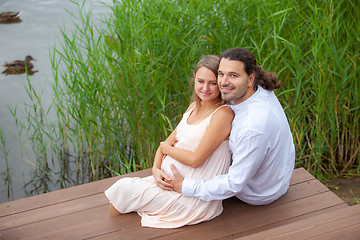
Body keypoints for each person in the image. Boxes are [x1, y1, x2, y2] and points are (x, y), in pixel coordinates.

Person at [104, 55, 234, 228]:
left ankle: (110, 231)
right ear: (194, 79)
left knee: (124, 189)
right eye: (201, 81)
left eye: (212, 83)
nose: (205, 88)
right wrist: (156, 170)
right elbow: (162, 146)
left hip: (192, 198)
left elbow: (195, 160)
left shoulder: (222, 114)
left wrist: (167, 149)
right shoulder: (193, 108)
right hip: (167, 184)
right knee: (123, 191)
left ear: (220, 83)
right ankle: (113, 231)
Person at [169, 47, 295, 205]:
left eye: (233, 75)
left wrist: (186, 186)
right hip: (277, 178)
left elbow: (235, 184)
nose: (223, 82)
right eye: (221, 74)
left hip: (257, 192)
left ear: (250, 79)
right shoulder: (258, 89)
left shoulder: (252, 127)